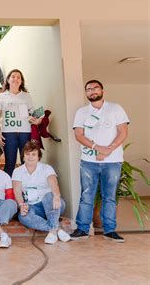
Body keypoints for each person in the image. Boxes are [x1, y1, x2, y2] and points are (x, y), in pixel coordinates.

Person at [70, 80, 129, 242]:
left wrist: (108, 149)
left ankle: (109, 230)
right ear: (86, 93)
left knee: (109, 196)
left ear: (102, 90)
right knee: (86, 195)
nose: (92, 91)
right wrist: (98, 148)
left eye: (95, 88)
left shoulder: (115, 109)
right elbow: (79, 135)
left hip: (113, 161)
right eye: (88, 89)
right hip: (88, 161)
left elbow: (123, 132)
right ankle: (82, 229)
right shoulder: (82, 112)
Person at [12, 141, 71, 244]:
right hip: (32, 207)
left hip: (50, 205)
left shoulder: (46, 168)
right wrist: (21, 205)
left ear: (39, 157)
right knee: (23, 217)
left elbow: (53, 183)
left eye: (34, 154)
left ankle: (53, 231)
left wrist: (56, 196)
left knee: (49, 196)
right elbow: (17, 190)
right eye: (27, 154)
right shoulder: (17, 171)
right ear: (23, 156)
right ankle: (55, 230)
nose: (30, 157)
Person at [0, 69, 39, 177]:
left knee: (26, 162)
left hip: (25, 133)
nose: (16, 79)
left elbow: (32, 113)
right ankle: (8, 191)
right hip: (8, 134)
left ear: (21, 81)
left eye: (18, 77)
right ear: (8, 80)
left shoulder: (26, 96)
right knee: (10, 163)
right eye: (13, 76)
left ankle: (25, 189)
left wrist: (37, 119)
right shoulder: (1, 97)